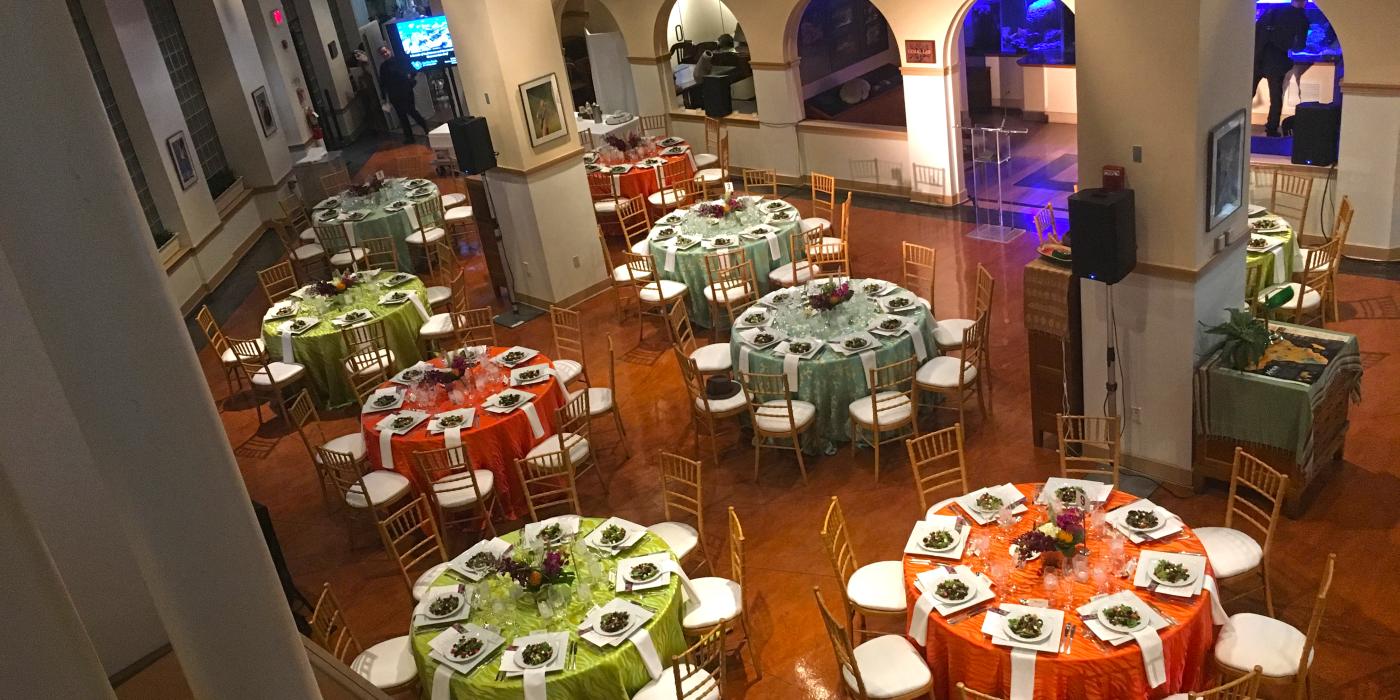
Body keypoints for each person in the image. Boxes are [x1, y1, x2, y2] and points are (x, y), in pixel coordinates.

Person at [1253, 0, 1309, 138]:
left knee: (1248, 92)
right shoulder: (1302, 18)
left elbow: (1257, 28)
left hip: (1258, 56)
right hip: (1277, 60)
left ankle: (1238, 121)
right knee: (1276, 97)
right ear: (1305, 2)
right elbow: (1299, 46)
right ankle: (1271, 129)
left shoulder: (1274, 9)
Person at [378, 46, 430, 143]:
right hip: (395, 94)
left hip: (405, 91)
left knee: (412, 111)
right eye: (382, 53)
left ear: (389, 50)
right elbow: (383, 83)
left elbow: (413, 69)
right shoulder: (384, 67)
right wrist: (384, 97)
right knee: (402, 116)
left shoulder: (399, 61)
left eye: (385, 51)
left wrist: (410, 78)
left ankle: (426, 129)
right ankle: (410, 137)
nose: (385, 54)